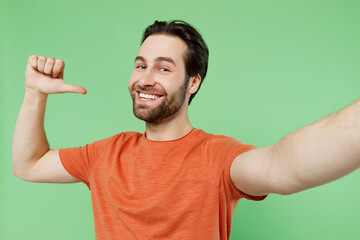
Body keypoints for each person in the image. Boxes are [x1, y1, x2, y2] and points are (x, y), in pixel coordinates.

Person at [12, 20, 360, 240]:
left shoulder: (218, 156)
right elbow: (28, 164)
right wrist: (34, 93)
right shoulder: (106, 154)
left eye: (164, 68)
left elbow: (281, 166)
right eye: (140, 65)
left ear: (193, 82)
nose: (145, 78)